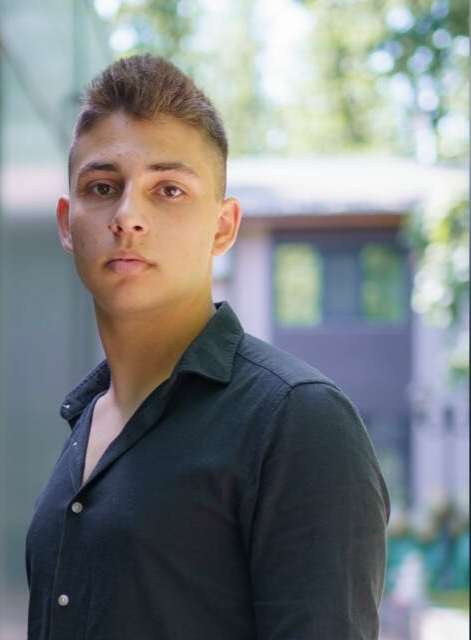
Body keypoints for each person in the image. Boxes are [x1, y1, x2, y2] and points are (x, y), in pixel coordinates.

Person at [26, 53, 390, 640]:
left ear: (223, 227)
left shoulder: (297, 421)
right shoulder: (85, 420)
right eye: (103, 187)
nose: (128, 216)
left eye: (168, 189)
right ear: (68, 223)